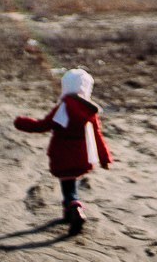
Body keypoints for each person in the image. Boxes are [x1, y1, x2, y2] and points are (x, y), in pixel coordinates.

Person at [14, 67, 113, 234]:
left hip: (63, 153)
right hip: (82, 154)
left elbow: (43, 125)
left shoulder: (64, 106)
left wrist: (21, 122)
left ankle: (74, 208)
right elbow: (97, 135)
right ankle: (70, 211)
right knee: (72, 182)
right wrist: (105, 158)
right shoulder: (90, 110)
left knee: (68, 187)